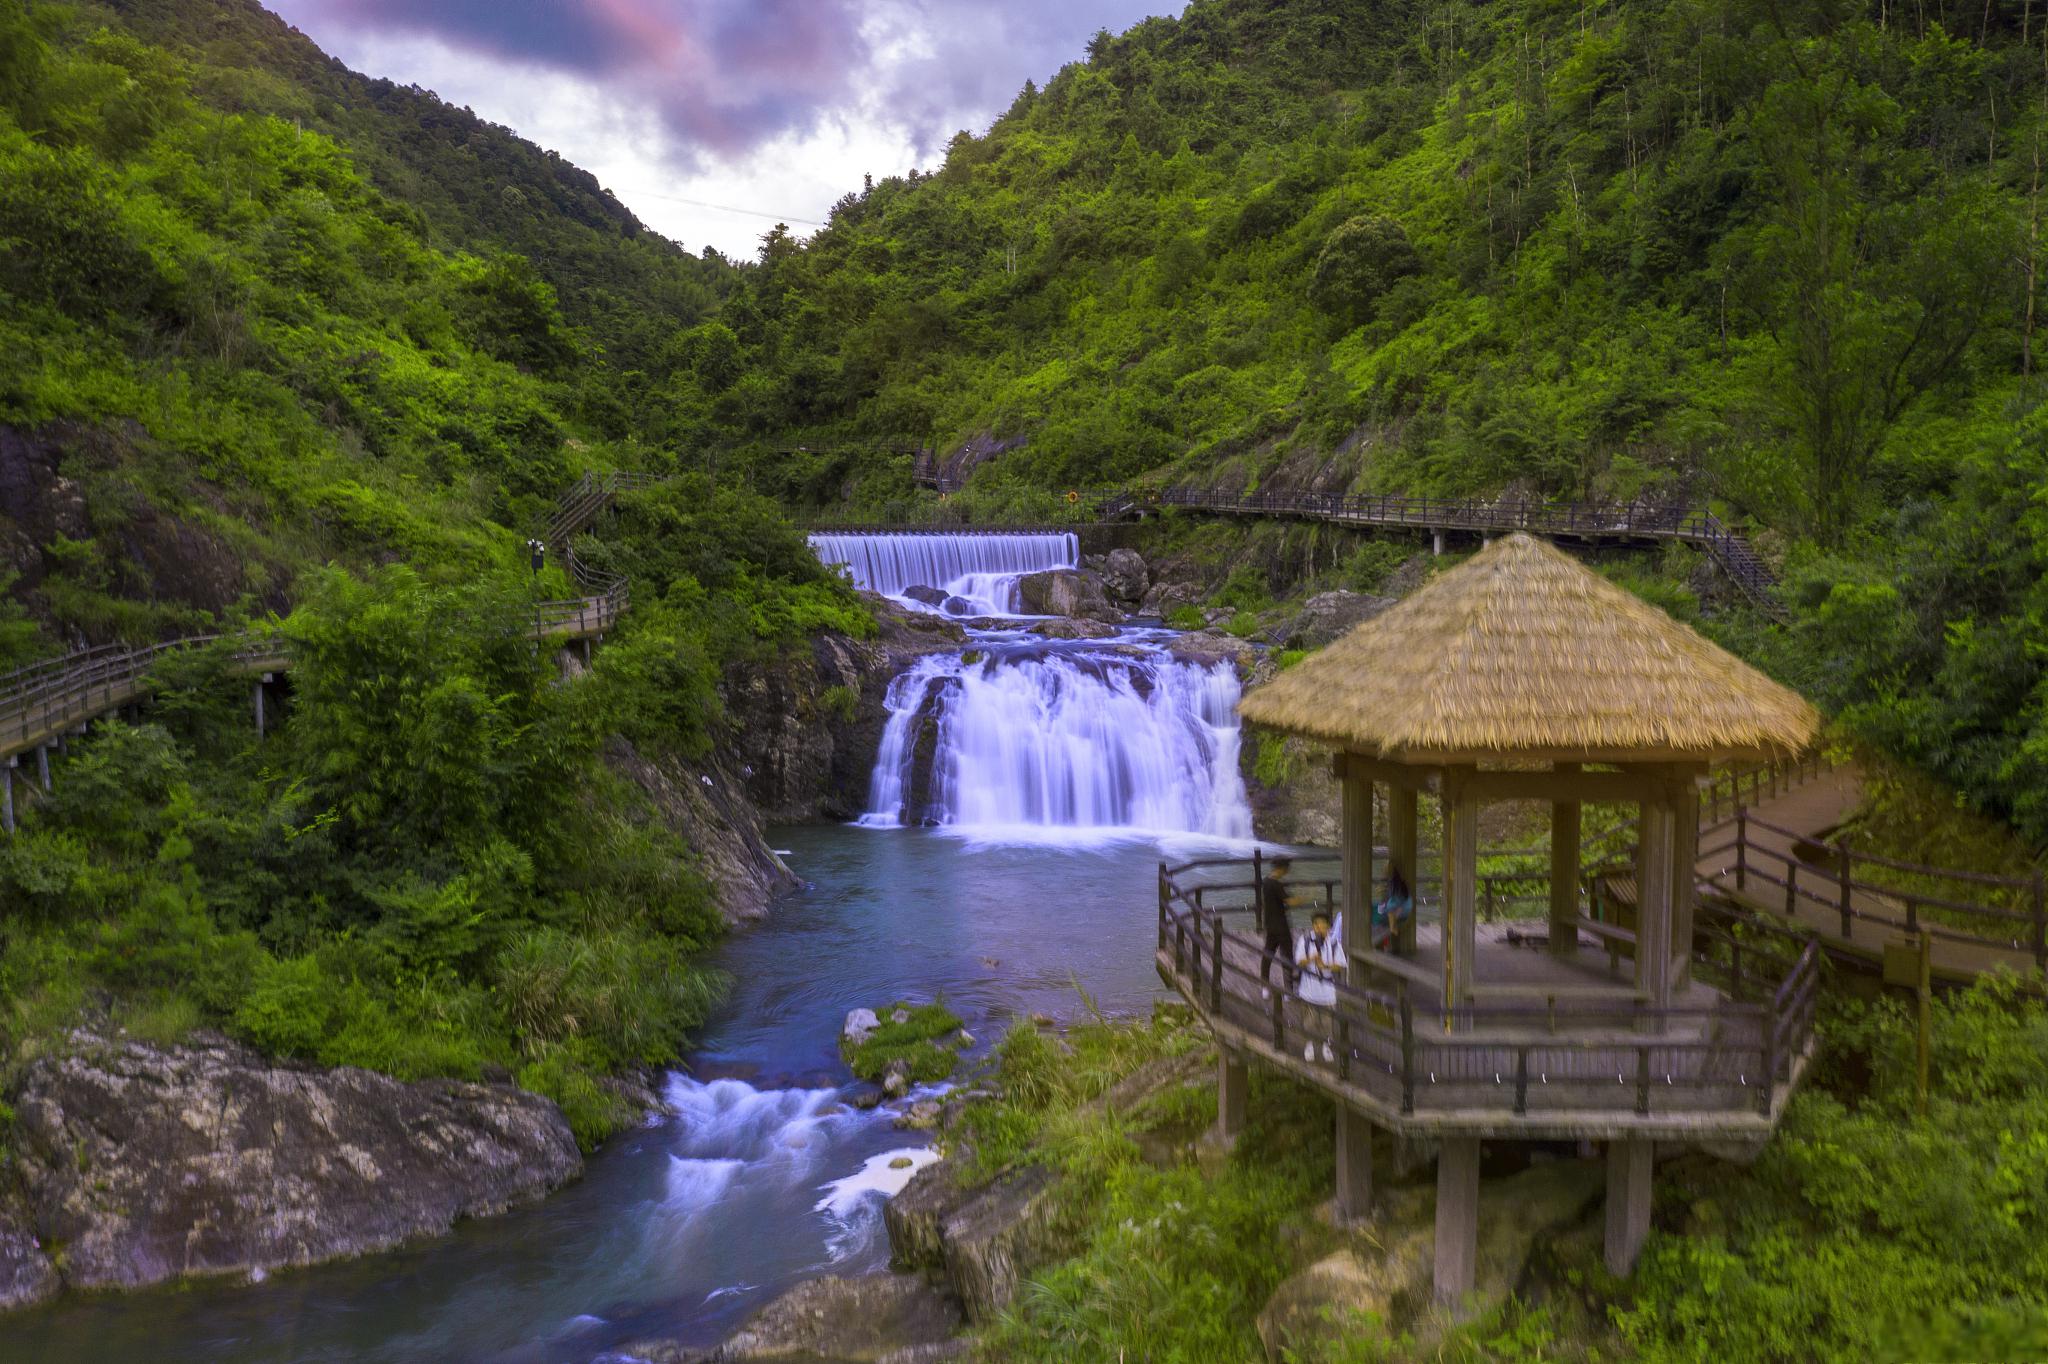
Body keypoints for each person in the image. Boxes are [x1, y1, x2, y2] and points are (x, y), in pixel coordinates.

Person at [1295, 909, 1347, 1063]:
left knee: (1327, 1022)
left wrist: (1325, 966)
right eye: (1317, 925)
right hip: (1308, 989)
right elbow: (1299, 961)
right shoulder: (1304, 940)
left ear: (1329, 927)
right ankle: (1309, 1045)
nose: (1320, 929)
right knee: (1308, 1021)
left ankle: (1326, 1046)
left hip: (1327, 991)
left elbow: (1340, 965)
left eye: (1323, 926)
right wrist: (1312, 958)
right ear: (1313, 926)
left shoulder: (1334, 943)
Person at [1258, 855, 1297, 999]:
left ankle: (1264, 987)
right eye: (1287, 868)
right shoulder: (1277, 884)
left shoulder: (1266, 882)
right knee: (1287, 955)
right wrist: (1305, 897)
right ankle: (1289, 991)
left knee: (1268, 954)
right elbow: (1290, 902)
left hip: (1269, 924)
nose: (1288, 871)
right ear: (1282, 868)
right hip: (1281, 925)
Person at [1372, 867, 1414, 952]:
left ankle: (1378, 939)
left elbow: (1392, 907)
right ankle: (1381, 943)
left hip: (1397, 915)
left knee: (1373, 912)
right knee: (1375, 908)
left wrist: (1385, 908)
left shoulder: (1395, 887)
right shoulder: (1402, 886)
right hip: (1403, 913)